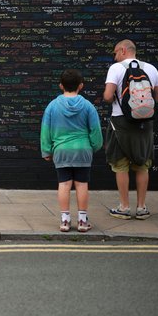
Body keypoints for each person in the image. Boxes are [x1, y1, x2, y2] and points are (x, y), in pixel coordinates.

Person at [103, 39, 158, 220]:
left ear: (123, 50)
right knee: (142, 164)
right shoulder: (151, 69)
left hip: (120, 122)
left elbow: (108, 96)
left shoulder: (116, 69)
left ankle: (124, 207)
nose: (114, 57)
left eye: (115, 53)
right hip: (145, 123)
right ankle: (142, 208)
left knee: (120, 164)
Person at [41, 69, 103, 232]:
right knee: (82, 185)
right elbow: (96, 130)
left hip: (61, 150)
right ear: (81, 86)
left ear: (61, 86)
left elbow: (45, 130)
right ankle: (82, 221)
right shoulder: (88, 106)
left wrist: (46, 150)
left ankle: (65, 220)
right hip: (83, 150)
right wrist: (94, 146)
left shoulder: (52, 106)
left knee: (64, 184)